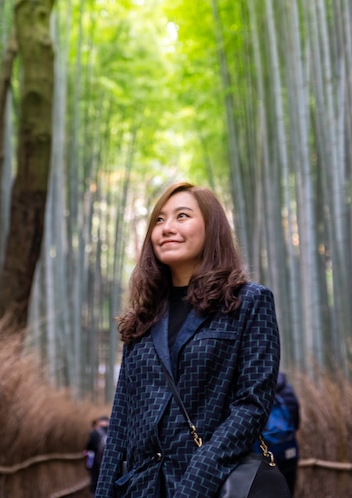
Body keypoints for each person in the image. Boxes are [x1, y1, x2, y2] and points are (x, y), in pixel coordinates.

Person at [95, 182, 282, 498]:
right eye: (159, 220)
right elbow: (122, 419)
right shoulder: (143, 316)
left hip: (212, 485)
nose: (167, 228)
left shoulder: (248, 302)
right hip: (142, 489)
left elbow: (252, 405)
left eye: (182, 216)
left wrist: (198, 480)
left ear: (212, 229)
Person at [84, 415, 110, 496]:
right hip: (110, 465)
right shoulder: (115, 433)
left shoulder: (94, 433)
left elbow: (89, 450)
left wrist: (88, 464)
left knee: (95, 484)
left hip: (96, 464)